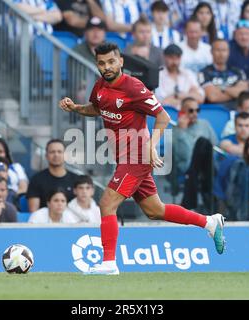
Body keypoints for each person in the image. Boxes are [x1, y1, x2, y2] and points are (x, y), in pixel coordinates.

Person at [59, 42, 226, 275]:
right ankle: (209, 222)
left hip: (136, 156)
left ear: (120, 62)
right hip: (124, 157)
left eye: (111, 61)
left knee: (107, 203)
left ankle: (108, 263)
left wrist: (150, 144)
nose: (106, 67)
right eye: (101, 63)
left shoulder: (133, 87)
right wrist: (76, 107)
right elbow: (97, 108)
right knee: (154, 210)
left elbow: (164, 117)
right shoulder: (99, 86)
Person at [27, 139, 78, 212]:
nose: (56, 155)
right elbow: (33, 211)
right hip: (44, 221)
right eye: (52, 152)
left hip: (72, 222)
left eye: (59, 152)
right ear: (46, 156)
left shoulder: (76, 180)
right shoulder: (36, 180)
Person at [198, 39, 249, 109]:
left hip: (237, 110)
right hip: (216, 111)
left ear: (228, 52)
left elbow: (242, 94)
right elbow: (213, 97)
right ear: (211, 52)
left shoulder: (238, 72)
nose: (221, 54)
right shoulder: (204, 73)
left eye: (224, 50)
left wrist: (221, 88)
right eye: (218, 50)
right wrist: (233, 92)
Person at [173, 97, 217, 175]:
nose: (195, 114)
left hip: (208, 165)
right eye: (191, 111)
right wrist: (182, 131)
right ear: (182, 112)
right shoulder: (175, 131)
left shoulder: (204, 124)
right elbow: (185, 155)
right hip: (187, 168)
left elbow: (215, 146)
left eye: (197, 110)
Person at [155, 44, 205, 110]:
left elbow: (200, 98)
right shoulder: (157, 74)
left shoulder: (188, 73)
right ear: (164, 57)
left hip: (187, 115)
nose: (174, 61)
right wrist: (189, 96)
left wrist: (177, 96)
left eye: (177, 58)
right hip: (167, 113)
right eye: (171, 57)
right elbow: (164, 102)